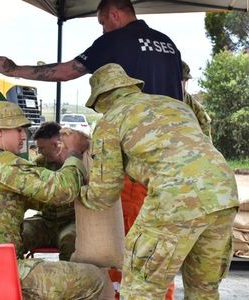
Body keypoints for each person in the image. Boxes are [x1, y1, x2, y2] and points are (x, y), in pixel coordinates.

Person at [61, 63, 239, 299]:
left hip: (176, 197)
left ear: (102, 98)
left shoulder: (111, 120)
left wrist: (78, 193)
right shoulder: (176, 105)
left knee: (141, 289)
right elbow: (201, 141)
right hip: (223, 192)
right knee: (204, 290)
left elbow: (106, 190)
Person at [0, 101, 104, 299]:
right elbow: (61, 191)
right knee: (93, 278)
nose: (24, 136)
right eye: (18, 129)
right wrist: (73, 154)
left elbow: (40, 199)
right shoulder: (3, 164)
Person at [0, 0, 183, 100]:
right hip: (176, 134)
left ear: (114, 15)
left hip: (140, 135)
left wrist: (14, 70)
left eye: (103, 22)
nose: (103, 29)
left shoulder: (113, 40)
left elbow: (66, 72)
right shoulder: (168, 42)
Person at [23, 122, 76, 261]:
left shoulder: (75, 162)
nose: (39, 152)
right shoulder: (40, 163)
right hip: (46, 221)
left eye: (42, 148)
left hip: (70, 222)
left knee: (70, 241)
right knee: (20, 232)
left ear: (56, 144)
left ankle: (67, 280)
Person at [182, 61, 212, 140]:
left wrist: (206, 146)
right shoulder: (159, 97)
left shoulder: (190, 101)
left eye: (185, 79)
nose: (183, 82)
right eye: (181, 79)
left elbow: (205, 123)